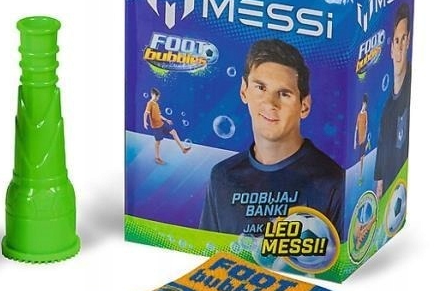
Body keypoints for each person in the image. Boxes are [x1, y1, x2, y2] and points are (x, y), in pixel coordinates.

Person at [199, 39, 343, 237]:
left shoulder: (332, 182)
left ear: (304, 106)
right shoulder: (222, 177)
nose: (270, 103)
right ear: (244, 90)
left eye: (284, 94)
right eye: (261, 88)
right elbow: (209, 250)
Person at [374, 3, 412, 198]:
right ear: (391, 49)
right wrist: (379, 184)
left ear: (409, 41)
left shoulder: (414, 91)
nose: (400, 46)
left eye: (404, 39)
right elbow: (381, 149)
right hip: (388, 202)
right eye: (396, 40)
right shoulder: (387, 109)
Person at [143, 87, 191, 165]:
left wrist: (166, 120)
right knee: (158, 142)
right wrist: (145, 122)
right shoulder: (150, 103)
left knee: (174, 132)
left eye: (158, 97)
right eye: (157, 96)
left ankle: (183, 149)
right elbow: (146, 113)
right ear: (153, 95)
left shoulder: (156, 104)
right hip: (156, 127)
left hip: (162, 124)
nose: (158, 98)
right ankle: (157, 158)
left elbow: (159, 115)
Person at [354, 94, 369, 183]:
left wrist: (365, 136)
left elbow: (366, 125)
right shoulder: (359, 115)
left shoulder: (365, 114)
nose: (365, 106)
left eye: (365, 105)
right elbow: (356, 129)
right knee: (360, 157)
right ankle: (360, 174)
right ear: (362, 104)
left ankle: (361, 175)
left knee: (362, 157)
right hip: (359, 139)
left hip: (364, 138)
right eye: (364, 105)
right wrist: (354, 141)